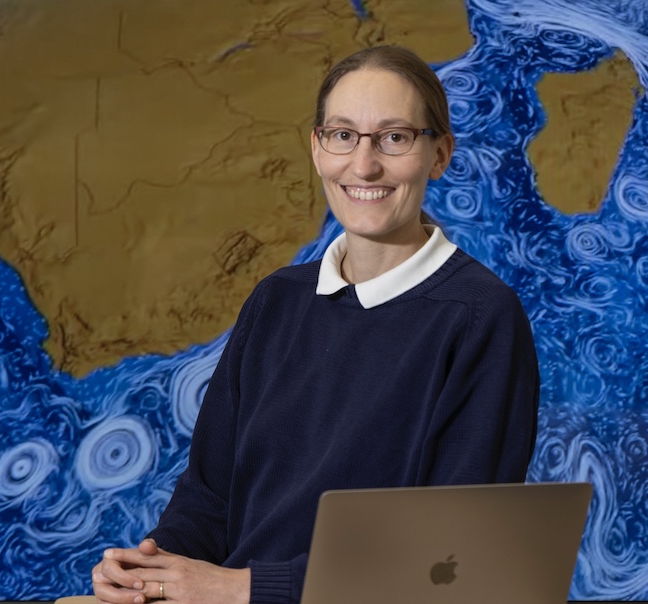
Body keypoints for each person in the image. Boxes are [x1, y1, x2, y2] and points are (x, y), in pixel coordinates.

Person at [92, 45, 539, 604]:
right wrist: (148, 570)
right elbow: (209, 500)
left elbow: (451, 558)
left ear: (439, 154)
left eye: (395, 138)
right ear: (317, 147)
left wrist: (242, 589)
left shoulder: (480, 319)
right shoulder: (275, 302)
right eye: (343, 135)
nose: (364, 165)